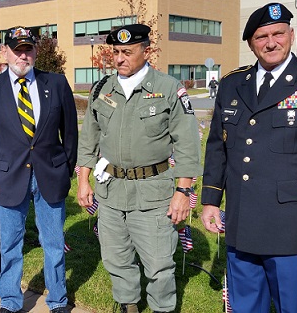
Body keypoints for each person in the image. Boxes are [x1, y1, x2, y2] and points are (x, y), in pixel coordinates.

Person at [201, 2, 297, 313]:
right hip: (241, 223)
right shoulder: (233, 83)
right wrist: (209, 200)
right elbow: (218, 146)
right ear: (250, 43)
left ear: (291, 34)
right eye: (261, 37)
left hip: (292, 227)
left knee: (291, 308)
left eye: (278, 33)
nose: (271, 42)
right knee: (245, 308)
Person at [76, 24, 202, 313]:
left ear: (146, 51)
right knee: (116, 258)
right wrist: (83, 181)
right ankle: (128, 304)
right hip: (110, 192)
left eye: (127, 52)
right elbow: (89, 139)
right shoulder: (102, 88)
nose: (119, 59)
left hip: (153, 193)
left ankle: (162, 308)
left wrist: (183, 191)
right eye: (116, 52)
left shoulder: (168, 88)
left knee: (158, 264)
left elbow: (187, 145)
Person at [0, 26, 78, 313]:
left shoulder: (56, 83)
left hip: (50, 175)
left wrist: (65, 169)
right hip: (8, 177)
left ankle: (57, 300)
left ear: (35, 52)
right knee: (10, 244)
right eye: (16, 49)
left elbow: (70, 133)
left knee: (54, 243)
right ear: (4, 52)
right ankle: (9, 300)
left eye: (28, 49)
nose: (23, 55)